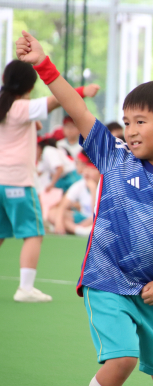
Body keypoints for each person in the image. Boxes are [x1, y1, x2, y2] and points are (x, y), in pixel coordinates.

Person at [17, 31, 153, 386]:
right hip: (106, 280)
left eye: (140, 121)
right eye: (127, 122)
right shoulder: (115, 156)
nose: (131, 130)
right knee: (122, 358)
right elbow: (77, 108)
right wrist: (44, 66)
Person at [0, 59, 98, 303]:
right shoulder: (21, 108)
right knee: (34, 233)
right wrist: (83, 92)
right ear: (30, 86)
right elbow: (56, 100)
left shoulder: (5, 107)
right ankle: (25, 288)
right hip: (18, 181)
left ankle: (26, 288)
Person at [47, 151, 99, 236]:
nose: (87, 173)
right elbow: (62, 206)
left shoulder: (105, 186)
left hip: (96, 219)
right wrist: (59, 223)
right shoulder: (81, 184)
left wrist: (93, 190)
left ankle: (75, 229)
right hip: (83, 218)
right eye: (87, 169)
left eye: (92, 169)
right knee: (52, 213)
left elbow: (96, 213)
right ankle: (78, 230)